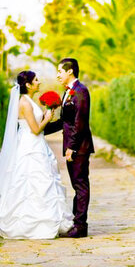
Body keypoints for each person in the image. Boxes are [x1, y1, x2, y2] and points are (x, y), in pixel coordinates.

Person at [0, 71, 74, 239]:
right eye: (36, 80)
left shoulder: (29, 101)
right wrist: (47, 117)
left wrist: (46, 115)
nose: (39, 82)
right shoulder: (24, 103)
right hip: (30, 146)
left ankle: (48, 219)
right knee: (30, 182)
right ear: (29, 85)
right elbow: (36, 129)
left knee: (42, 182)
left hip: (36, 145)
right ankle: (28, 224)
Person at [45, 58, 94, 238]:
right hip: (72, 146)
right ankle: (77, 222)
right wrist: (41, 129)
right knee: (77, 184)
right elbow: (64, 122)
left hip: (79, 147)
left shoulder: (81, 91)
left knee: (80, 185)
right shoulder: (68, 92)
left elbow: (80, 122)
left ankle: (81, 226)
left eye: (60, 71)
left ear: (70, 71)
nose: (57, 75)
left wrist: (71, 147)